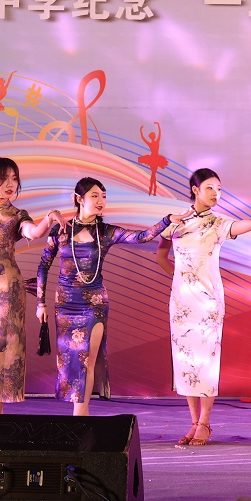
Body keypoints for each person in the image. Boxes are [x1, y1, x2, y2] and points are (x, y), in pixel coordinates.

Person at [156, 168, 251, 447]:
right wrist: (182, 279)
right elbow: (161, 256)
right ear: (195, 190)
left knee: (206, 361)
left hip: (209, 302)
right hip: (181, 302)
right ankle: (193, 422)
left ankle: (205, 423)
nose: (216, 193)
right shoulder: (176, 222)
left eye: (219, 189)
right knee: (186, 362)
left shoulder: (218, 223)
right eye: (210, 188)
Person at [36, 177, 189, 416]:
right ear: (79, 199)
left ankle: (80, 416)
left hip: (94, 305)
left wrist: (167, 220)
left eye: (104, 196)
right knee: (71, 361)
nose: (101, 201)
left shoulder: (106, 232)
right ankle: (80, 414)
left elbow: (141, 237)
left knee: (87, 359)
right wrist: (40, 303)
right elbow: (43, 265)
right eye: (94, 196)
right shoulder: (61, 231)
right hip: (65, 305)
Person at [0, 157, 64, 414]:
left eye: (14, 179)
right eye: (4, 178)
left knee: (0, 351)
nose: (11, 184)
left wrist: (49, 218)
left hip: (6, 291)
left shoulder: (17, 215)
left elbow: (33, 232)